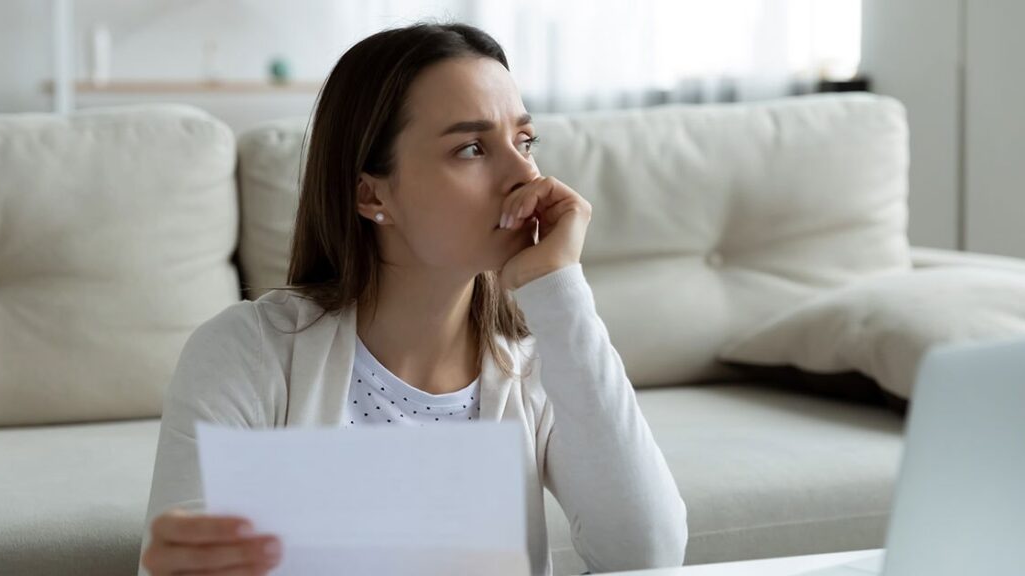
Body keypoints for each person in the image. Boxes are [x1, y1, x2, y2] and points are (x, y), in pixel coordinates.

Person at [138, 21, 686, 576]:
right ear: (372, 194)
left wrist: (559, 288)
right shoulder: (245, 355)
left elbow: (647, 555)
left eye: (525, 141)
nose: (525, 175)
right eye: (472, 148)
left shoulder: (540, 359)